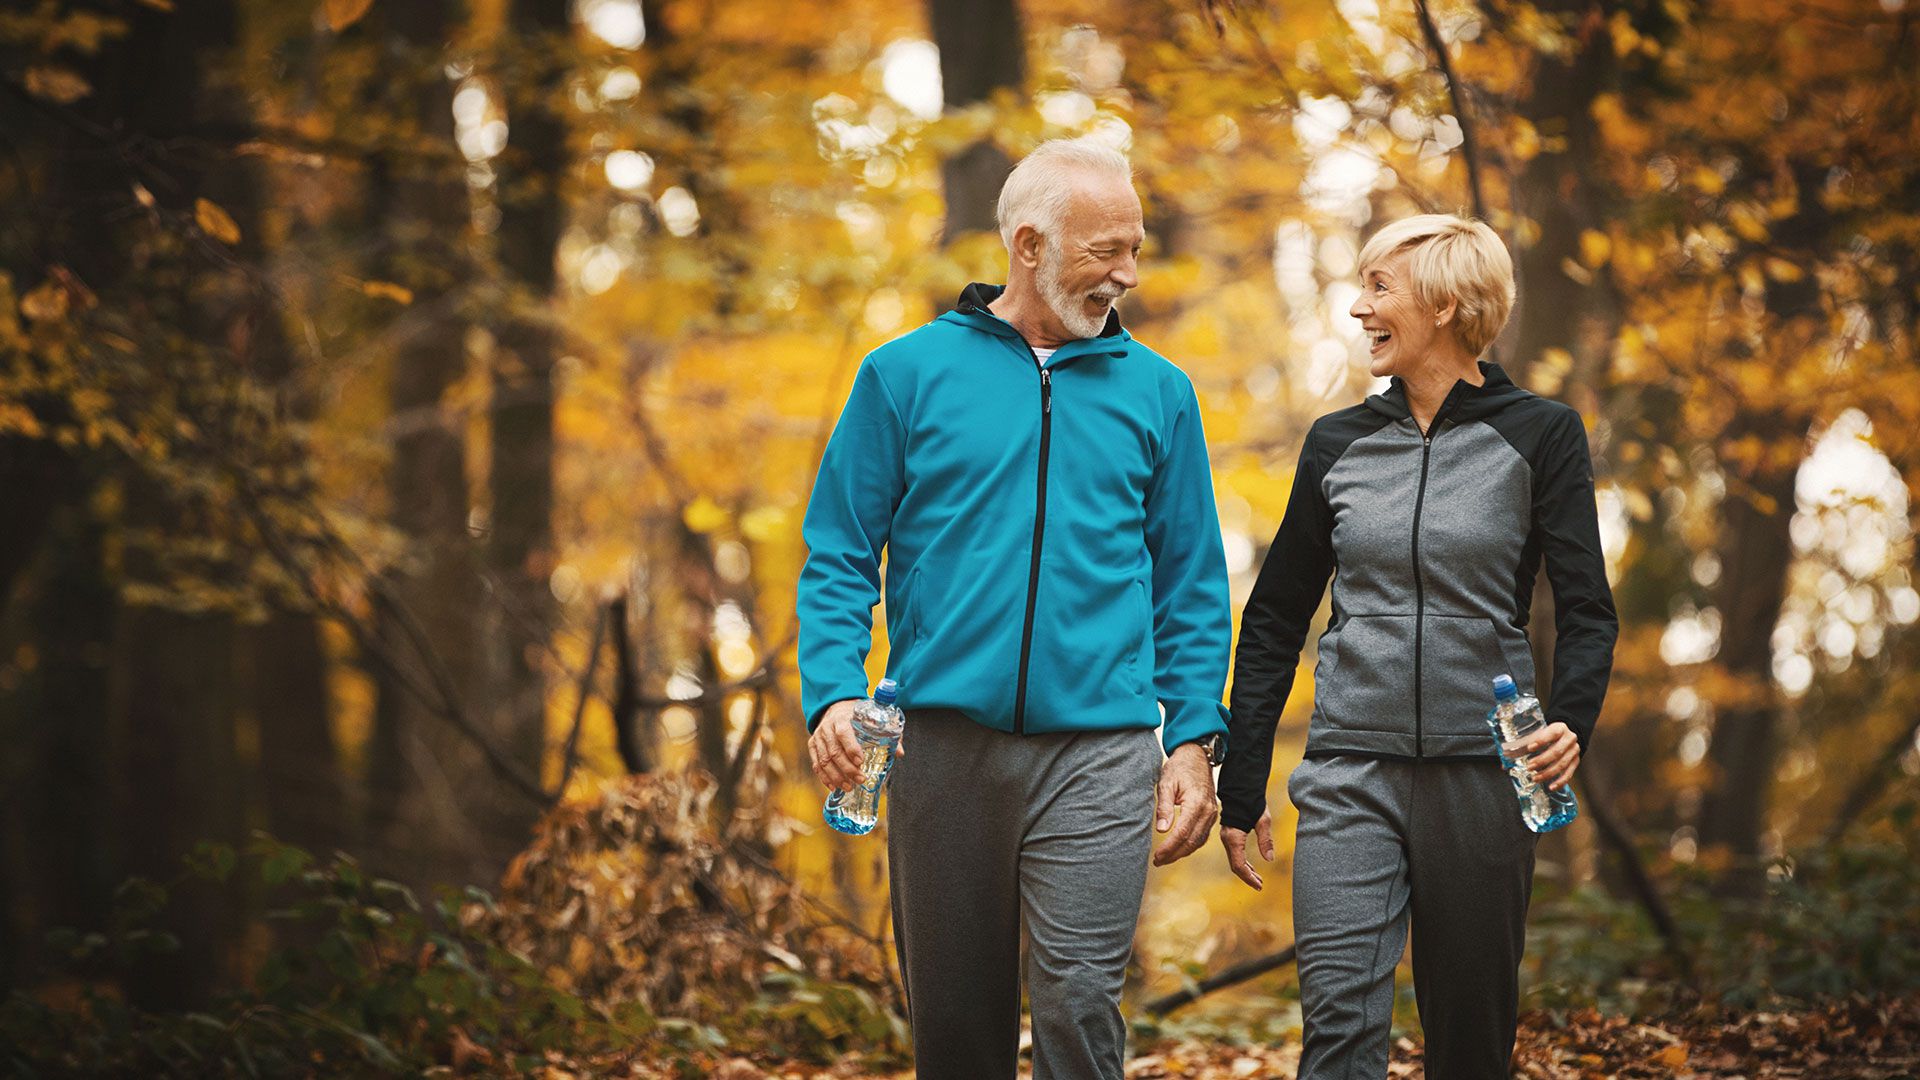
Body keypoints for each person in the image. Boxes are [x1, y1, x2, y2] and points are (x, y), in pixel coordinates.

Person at [795, 137, 1233, 1080]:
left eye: (1135, 248)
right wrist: (833, 691)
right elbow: (836, 549)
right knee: (957, 1030)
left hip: (1102, 750)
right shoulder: (903, 375)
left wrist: (1195, 735)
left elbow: (1191, 582)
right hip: (937, 747)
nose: (1125, 273)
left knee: (1080, 1002)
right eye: (1103, 250)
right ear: (1028, 244)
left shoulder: (1161, 394)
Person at [1215, 214, 1618, 1079]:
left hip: (1485, 775)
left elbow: (1586, 608)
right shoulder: (1340, 443)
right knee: (1337, 1032)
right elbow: (1277, 617)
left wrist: (1572, 720)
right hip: (1351, 772)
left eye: (1379, 288)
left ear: (1444, 303)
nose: (1360, 308)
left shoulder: (1540, 435)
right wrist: (1242, 778)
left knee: (1471, 1045)